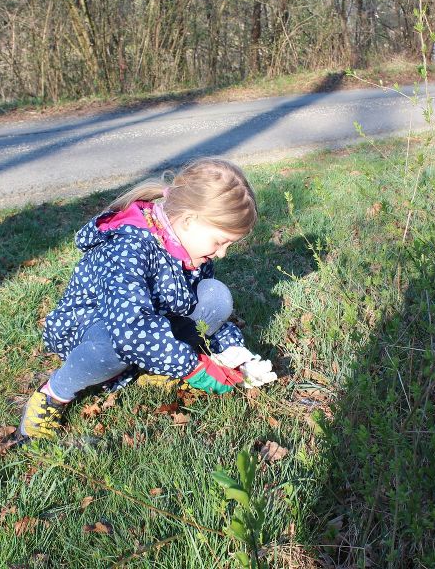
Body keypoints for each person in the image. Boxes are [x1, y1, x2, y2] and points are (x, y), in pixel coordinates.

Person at [19, 158, 258, 440]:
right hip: (92, 329)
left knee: (215, 296)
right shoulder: (129, 246)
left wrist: (230, 351)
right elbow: (129, 328)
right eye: (220, 242)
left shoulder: (192, 247)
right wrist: (191, 367)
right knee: (112, 347)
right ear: (191, 220)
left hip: (148, 323)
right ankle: (53, 395)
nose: (222, 254)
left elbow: (192, 308)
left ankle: (149, 364)